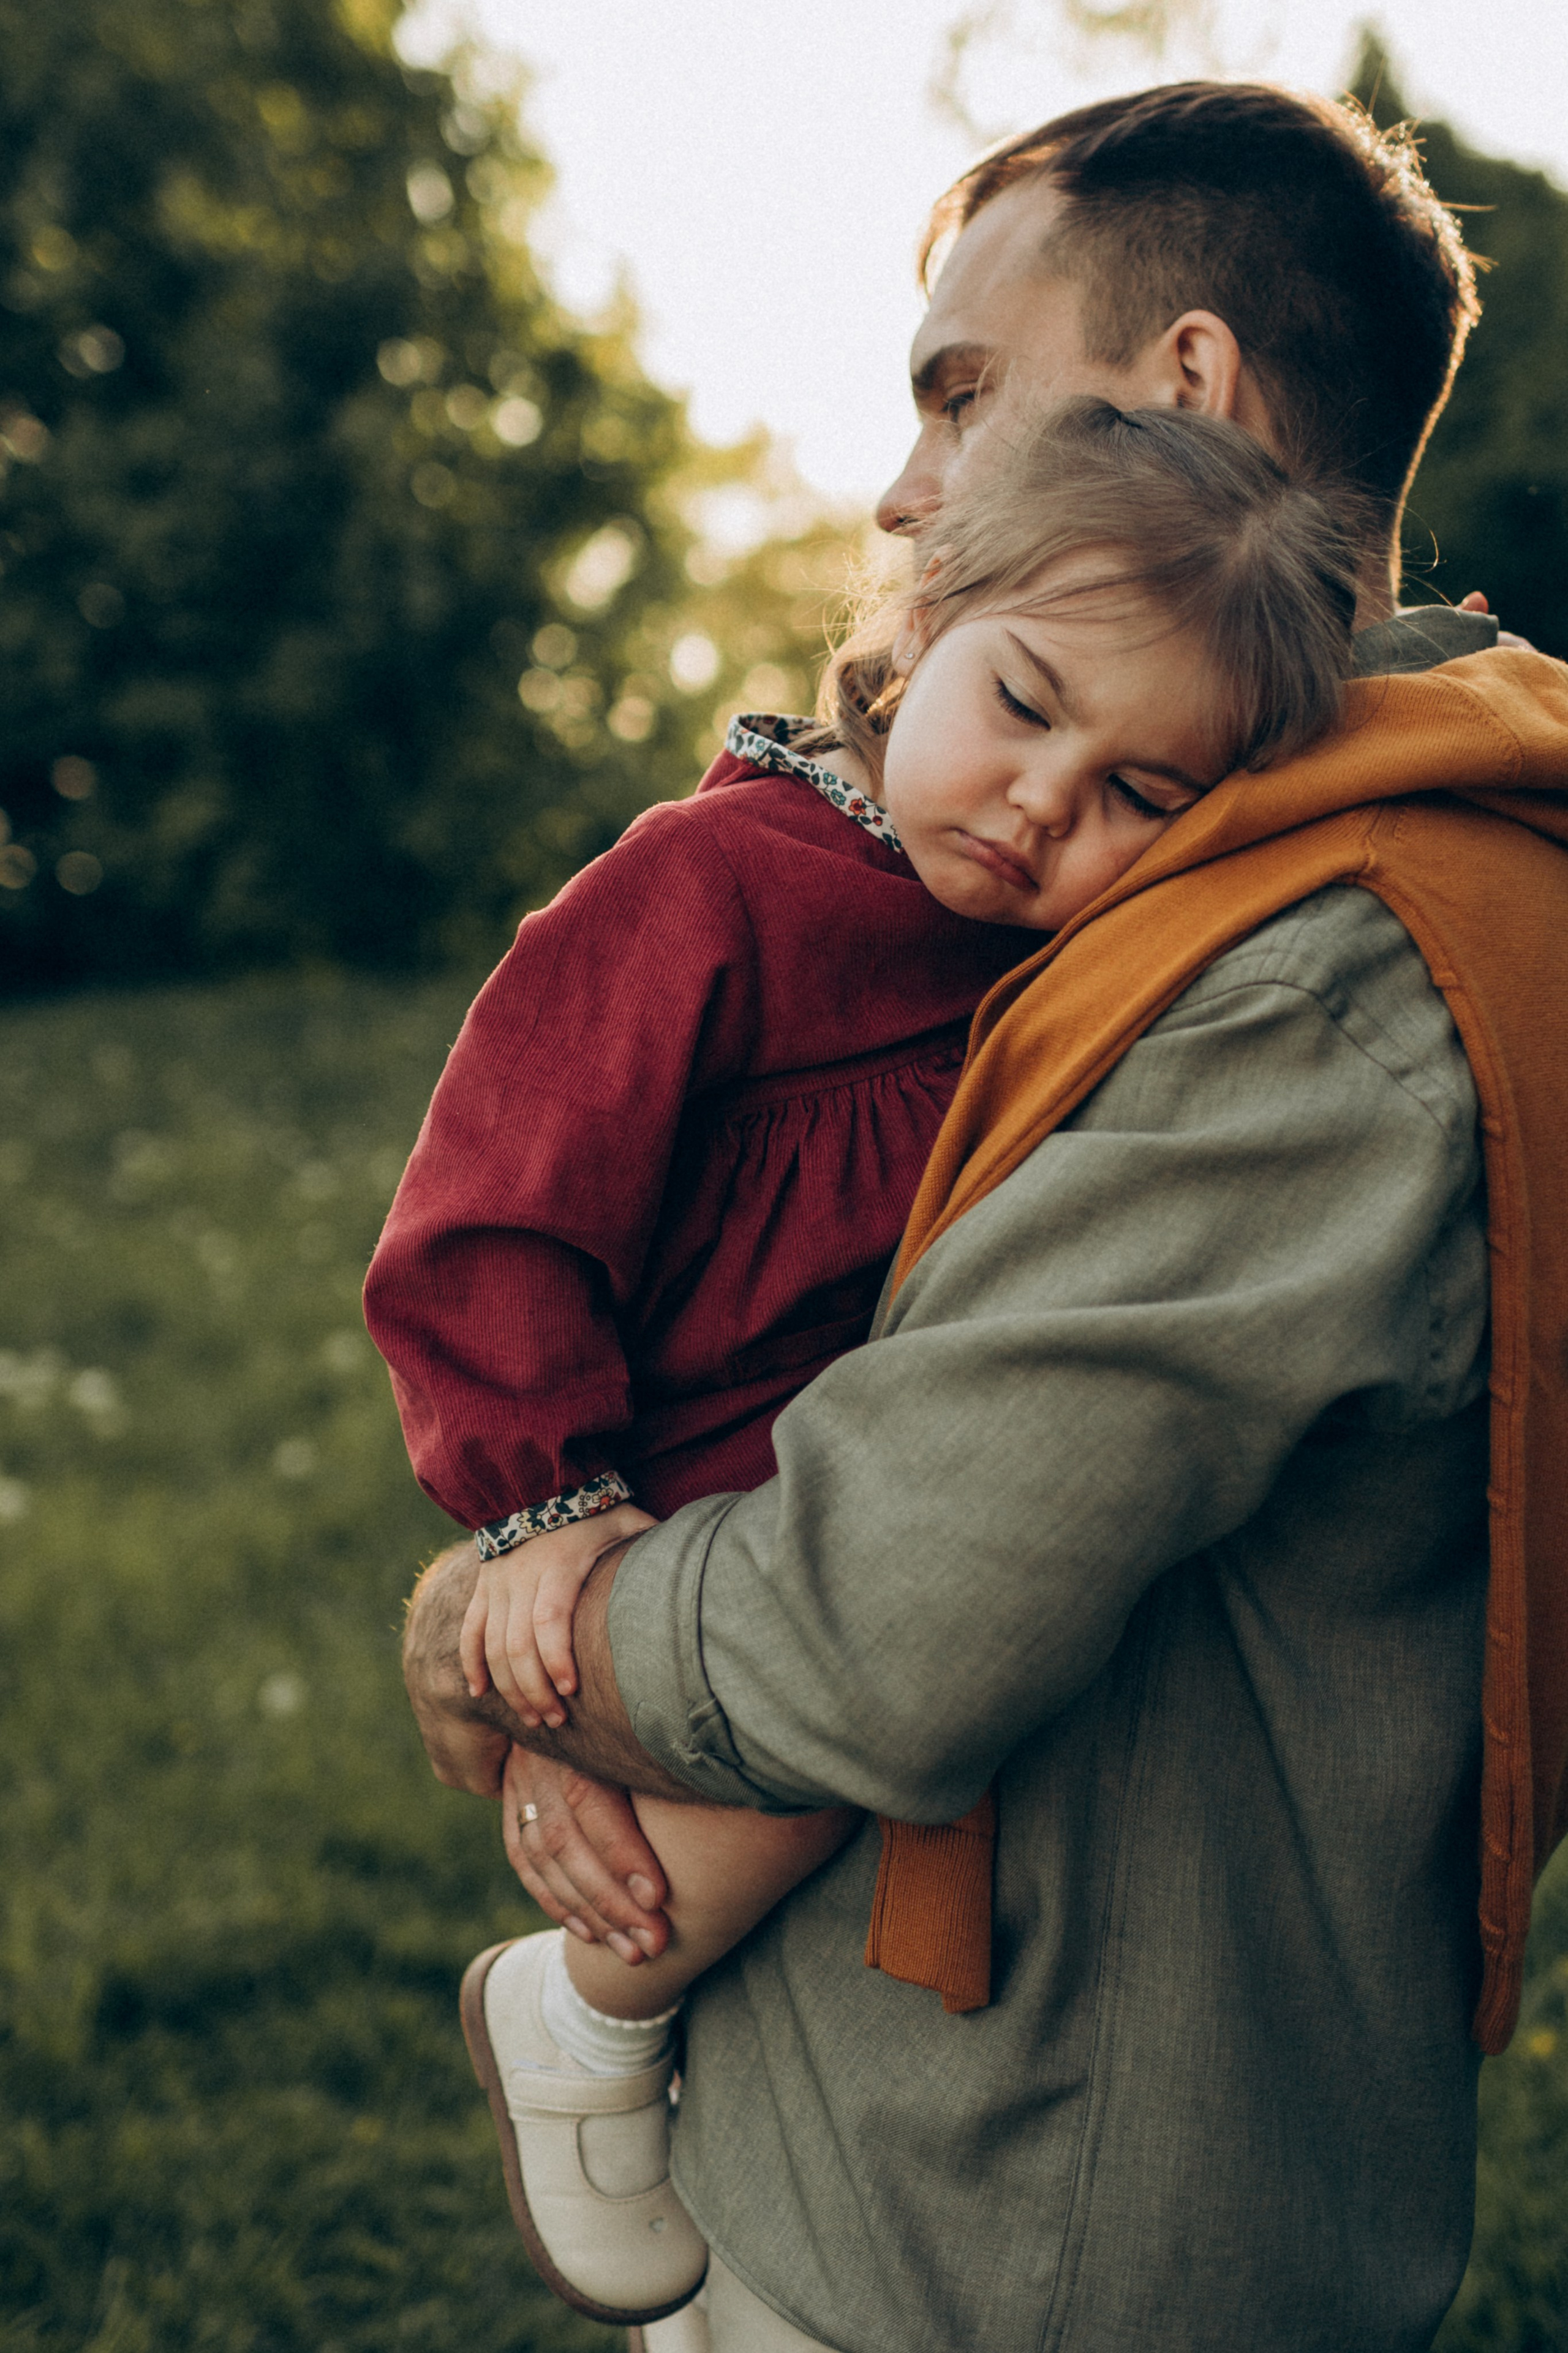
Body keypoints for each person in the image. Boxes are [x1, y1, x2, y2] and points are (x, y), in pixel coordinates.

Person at [399, 83, 1568, 2353]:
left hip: (991, 2222)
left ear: (1190, 390)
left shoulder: (1318, 958)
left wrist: (498, 1631)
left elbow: (866, 1629)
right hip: (995, 2146)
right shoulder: (1226, 854)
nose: (904, 491)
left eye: (960, 394)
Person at [369, 394, 1366, 2325]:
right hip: (673, 1463)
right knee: (834, 1714)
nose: (1042, 802)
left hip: (865, 1467)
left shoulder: (1041, 957)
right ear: (920, 620)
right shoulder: (702, 886)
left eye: (1139, 793)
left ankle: (613, 1987)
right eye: (1023, 703)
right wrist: (545, 1503)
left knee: (906, 1667)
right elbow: (494, 1205)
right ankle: (588, 2009)